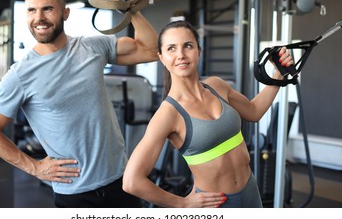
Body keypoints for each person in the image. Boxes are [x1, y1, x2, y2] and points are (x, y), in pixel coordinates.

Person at [0, 0, 158, 208]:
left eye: (48, 9)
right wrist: (35, 168)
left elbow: (151, 51)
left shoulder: (92, 47)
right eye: (32, 10)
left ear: (65, 13)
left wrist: (130, 9)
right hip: (76, 194)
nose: (39, 18)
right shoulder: (20, 74)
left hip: (123, 181)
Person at [122, 20, 294, 208]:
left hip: (251, 193)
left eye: (188, 46)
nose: (180, 55)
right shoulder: (167, 114)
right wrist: (183, 204)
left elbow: (253, 111)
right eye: (171, 48)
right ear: (161, 57)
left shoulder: (216, 86)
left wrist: (278, 75)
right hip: (216, 205)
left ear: (199, 51)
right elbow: (132, 181)